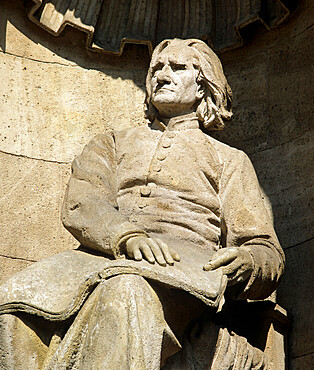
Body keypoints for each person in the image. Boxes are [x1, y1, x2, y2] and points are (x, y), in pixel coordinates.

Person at [0, 39, 284, 369]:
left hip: (182, 272)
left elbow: (265, 249)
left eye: (177, 68)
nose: (163, 75)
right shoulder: (113, 142)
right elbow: (83, 202)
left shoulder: (229, 160)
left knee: (125, 293)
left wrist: (246, 263)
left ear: (203, 84)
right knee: (14, 304)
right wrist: (127, 236)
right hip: (100, 259)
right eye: (156, 69)